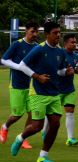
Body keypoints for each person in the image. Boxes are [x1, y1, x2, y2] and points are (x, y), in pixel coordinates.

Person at [10, 21, 74, 162]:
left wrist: (66, 72)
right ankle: (20, 138)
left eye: (59, 33)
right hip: (38, 93)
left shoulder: (60, 52)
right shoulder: (39, 49)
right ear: (47, 34)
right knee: (37, 126)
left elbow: (58, 71)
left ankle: (43, 156)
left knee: (55, 124)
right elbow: (22, 65)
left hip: (54, 93)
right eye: (55, 33)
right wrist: (37, 77)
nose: (58, 35)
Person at [0, 21, 39, 149]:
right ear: (26, 31)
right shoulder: (17, 45)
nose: (35, 34)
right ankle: (5, 127)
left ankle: (23, 138)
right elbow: (4, 59)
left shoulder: (37, 47)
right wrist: (19, 67)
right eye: (32, 31)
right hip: (17, 85)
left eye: (37, 31)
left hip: (32, 86)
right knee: (17, 115)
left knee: (32, 114)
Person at [59, 34, 78, 145]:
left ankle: (70, 138)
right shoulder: (59, 54)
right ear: (66, 43)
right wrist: (65, 72)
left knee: (70, 112)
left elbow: (73, 69)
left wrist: (77, 71)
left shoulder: (75, 56)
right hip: (56, 89)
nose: (74, 44)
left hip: (69, 89)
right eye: (72, 42)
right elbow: (54, 70)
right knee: (52, 115)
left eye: (75, 42)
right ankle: (45, 133)